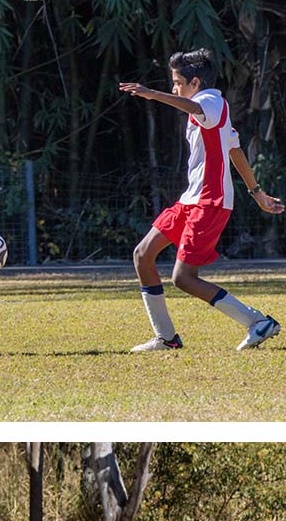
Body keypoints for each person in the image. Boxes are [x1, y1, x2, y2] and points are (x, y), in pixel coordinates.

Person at [120, 48, 284, 353]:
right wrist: (256, 192)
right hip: (191, 200)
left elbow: (193, 106)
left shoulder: (210, 101)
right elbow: (235, 151)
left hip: (210, 202)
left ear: (195, 82)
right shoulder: (214, 111)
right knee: (143, 255)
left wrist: (152, 94)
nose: (174, 88)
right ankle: (166, 338)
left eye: (178, 82)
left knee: (183, 278)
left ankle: (257, 322)